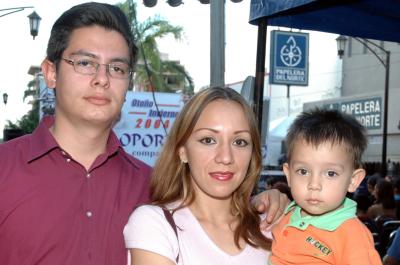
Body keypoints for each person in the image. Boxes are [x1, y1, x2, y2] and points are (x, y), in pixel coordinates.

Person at [0, 3, 286, 264]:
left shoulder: (150, 188)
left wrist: (265, 204)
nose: (102, 79)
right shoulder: (5, 169)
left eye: (117, 67)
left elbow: (213, 210)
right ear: (51, 72)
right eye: (85, 63)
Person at [124, 87, 273, 264]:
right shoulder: (155, 223)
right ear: (182, 152)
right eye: (208, 140)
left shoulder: (274, 226)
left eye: (239, 142)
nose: (225, 157)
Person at [269, 108, 381, 264]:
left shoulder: (352, 235)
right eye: (303, 171)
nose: (314, 185)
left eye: (330, 174)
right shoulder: (287, 214)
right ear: (289, 175)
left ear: (353, 180)